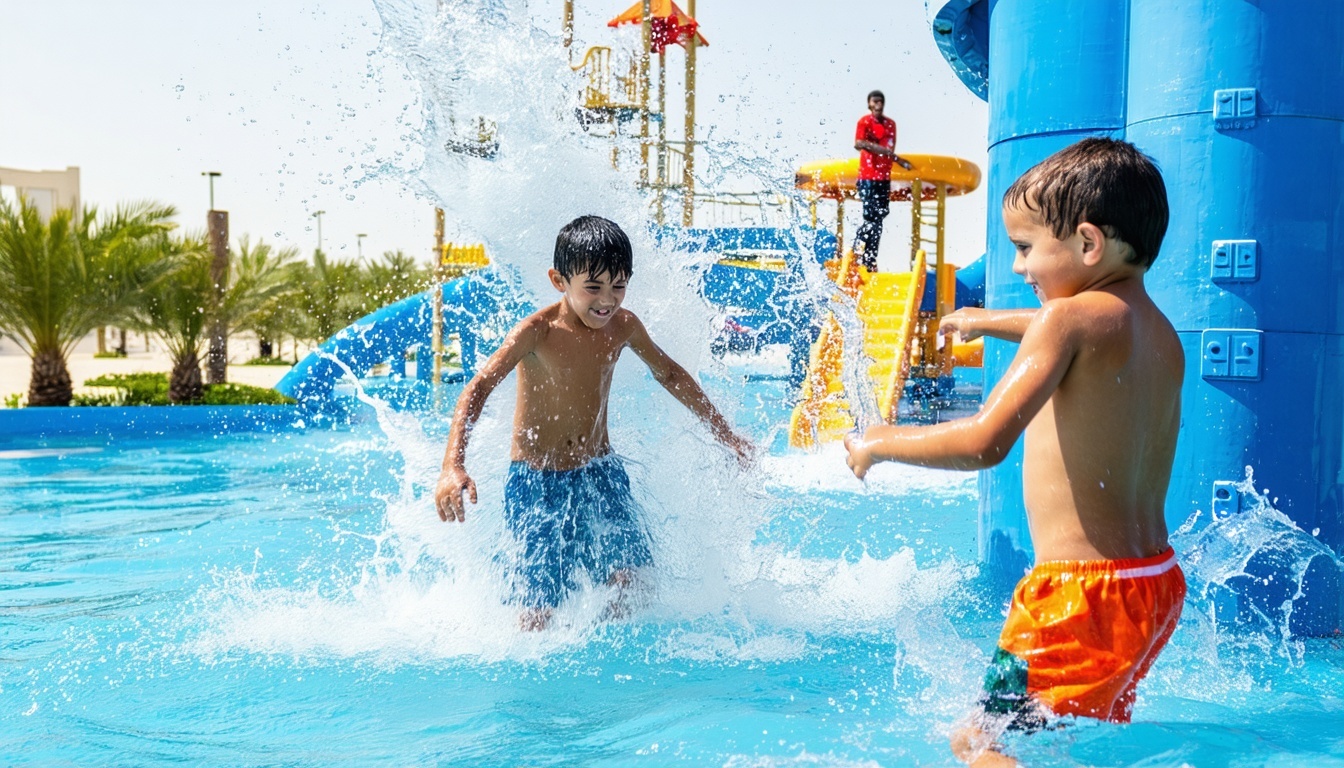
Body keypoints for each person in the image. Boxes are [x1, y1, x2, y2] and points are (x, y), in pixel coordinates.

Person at [843, 138, 1186, 766]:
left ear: (1087, 245)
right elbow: (1067, 324)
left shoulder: (1067, 324)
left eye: (1027, 248)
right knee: (1052, 736)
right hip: (1153, 585)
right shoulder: (1156, 331)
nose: (1022, 267)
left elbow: (984, 442)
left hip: (1077, 594)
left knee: (978, 741)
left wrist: (879, 442)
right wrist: (983, 319)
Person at [434, 215, 754, 631]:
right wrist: (452, 465)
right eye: (594, 287)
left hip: (600, 473)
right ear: (558, 280)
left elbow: (670, 374)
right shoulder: (537, 333)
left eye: (619, 286)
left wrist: (725, 435)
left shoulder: (623, 326)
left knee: (633, 580)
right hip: (537, 483)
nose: (608, 300)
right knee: (539, 609)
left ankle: (603, 645)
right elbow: (476, 389)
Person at [852, 89, 914, 271]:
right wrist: (883, 151)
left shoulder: (890, 124)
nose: (878, 105)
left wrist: (895, 158)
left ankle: (870, 259)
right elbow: (859, 143)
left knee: (880, 218)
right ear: (869, 105)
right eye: (875, 102)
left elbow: (890, 148)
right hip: (868, 176)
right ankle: (857, 246)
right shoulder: (864, 122)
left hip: (883, 178)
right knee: (870, 217)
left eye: (881, 102)